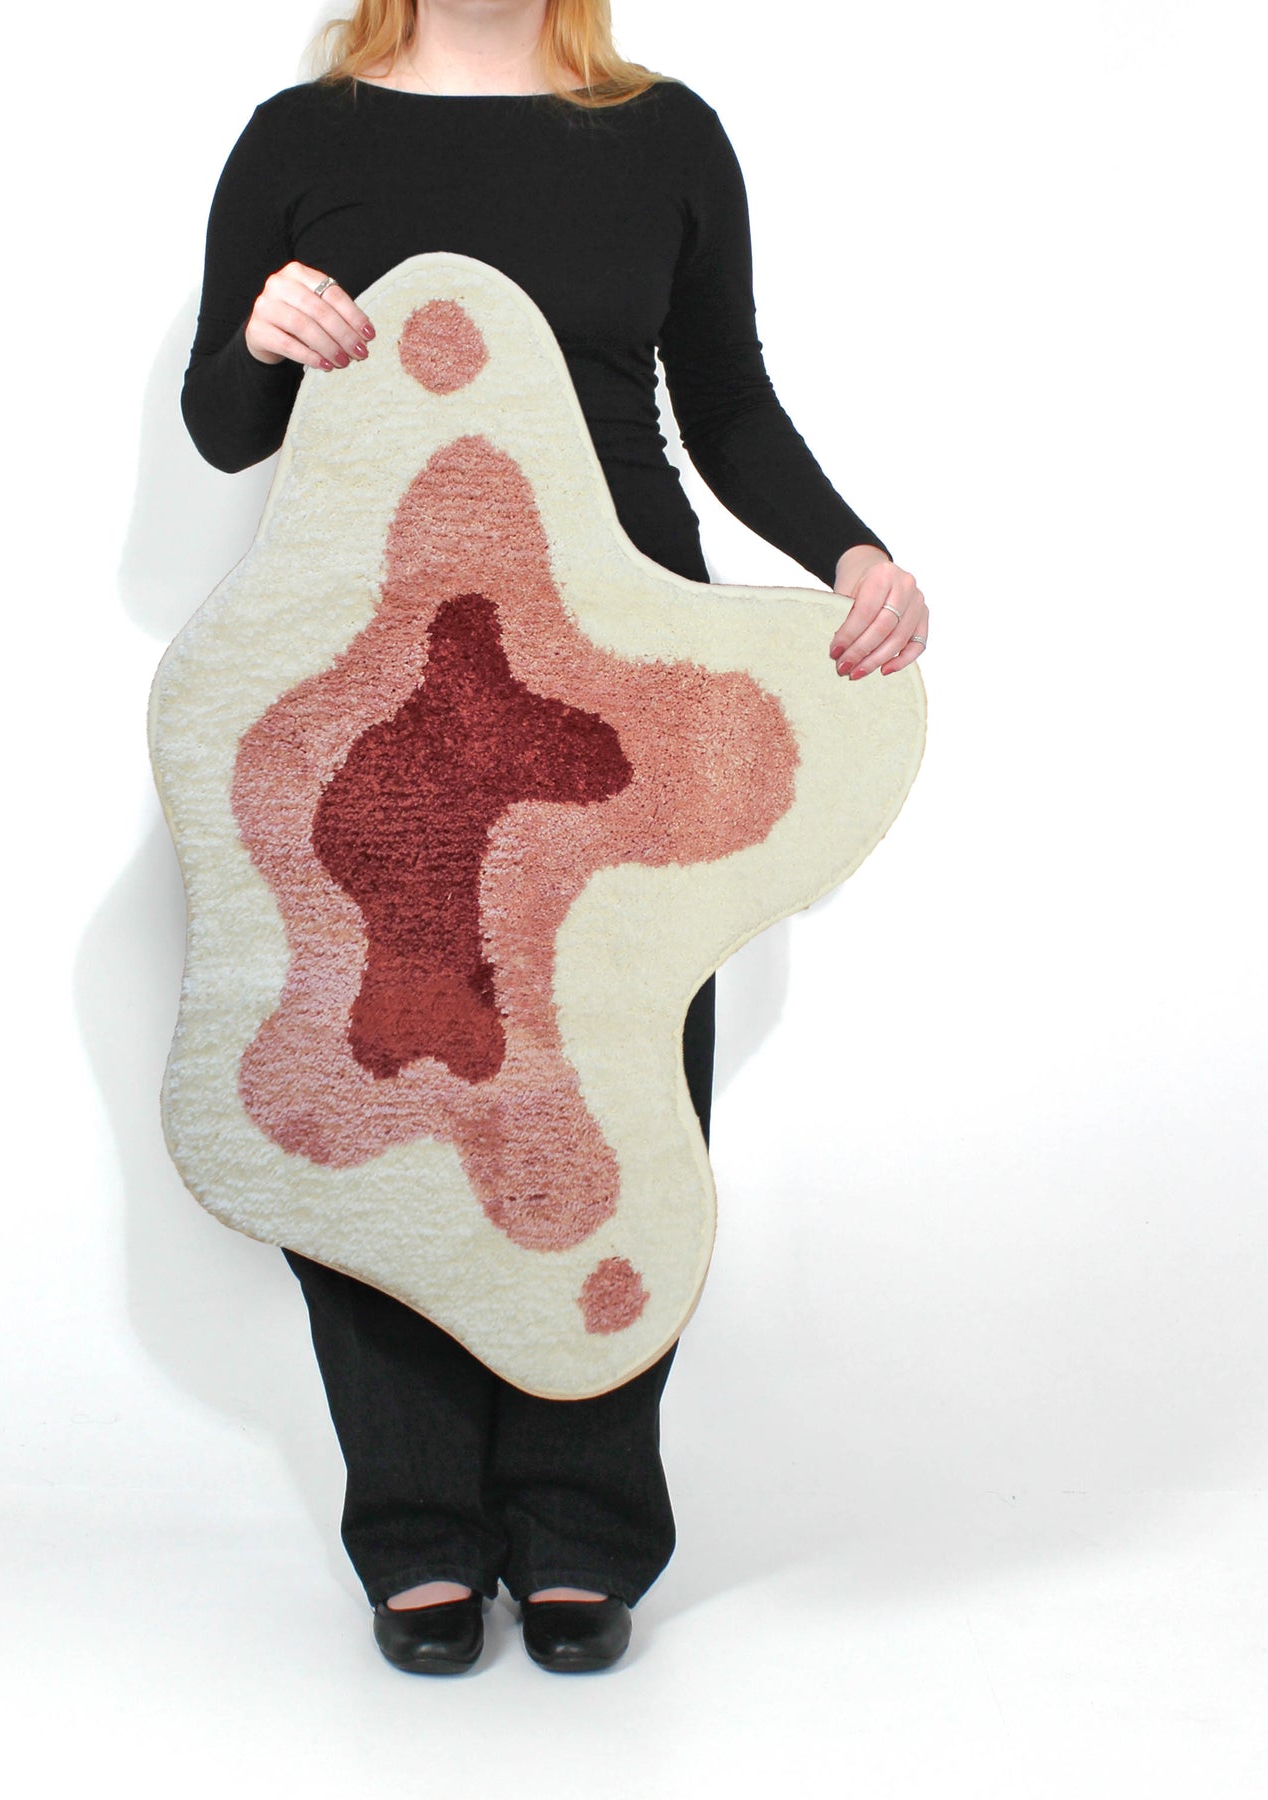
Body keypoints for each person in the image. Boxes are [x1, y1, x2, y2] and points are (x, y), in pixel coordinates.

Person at [179, 0, 929, 1676]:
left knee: (620, 1086)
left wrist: (854, 555)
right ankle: (419, 1529)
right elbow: (223, 426)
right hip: (370, 684)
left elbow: (725, 402)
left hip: (621, 678)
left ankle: (584, 1529)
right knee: (362, 1089)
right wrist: (266, 333)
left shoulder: (663, 133)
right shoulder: (303, 138)